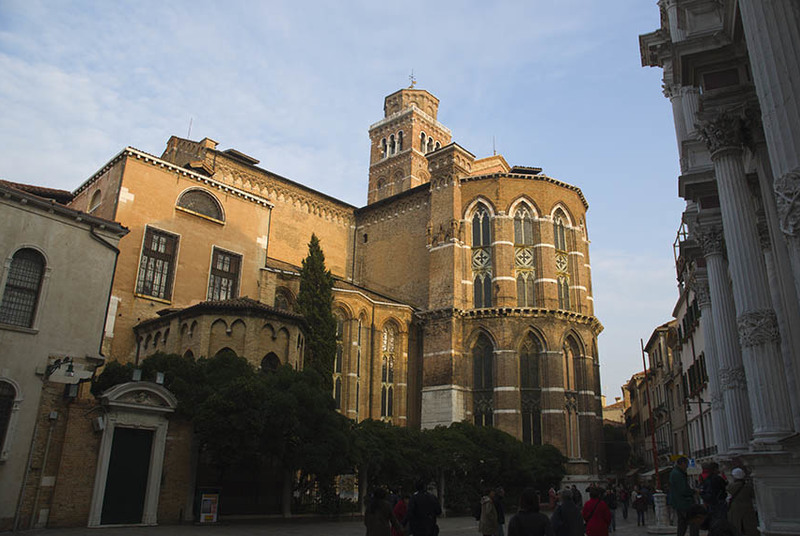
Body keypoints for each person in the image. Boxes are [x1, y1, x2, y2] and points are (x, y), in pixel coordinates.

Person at [670, 456, 699, 536]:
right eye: (686, 464)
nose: (687, 466)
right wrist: (693, 491)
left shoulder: (675, 473)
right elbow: (683, 490)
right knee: (694, 522)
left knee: (682, 524)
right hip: (684, 503)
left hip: (679, 503)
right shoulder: (678, 474)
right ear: (682, 463)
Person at [727, 468, 758, 536]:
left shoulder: (730, 486)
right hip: (748, 508)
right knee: (749, 528)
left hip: (735, 509)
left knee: (736, 526)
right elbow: (753, 495)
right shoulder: (748, 486)